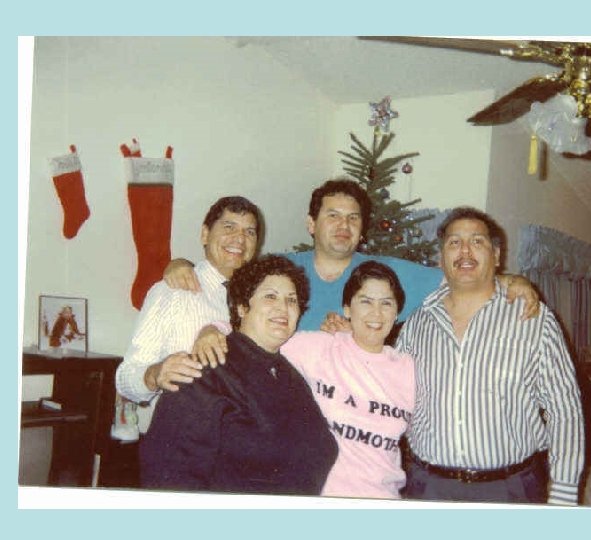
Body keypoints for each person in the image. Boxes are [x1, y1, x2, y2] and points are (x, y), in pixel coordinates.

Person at [163, 178, 540, 338]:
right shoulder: (279, 269)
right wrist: (180, 264)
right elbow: (229, 265)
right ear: (311, 224)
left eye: (353, 218)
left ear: (362, 229)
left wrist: (512, 280)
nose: (343, 226)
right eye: (332, 216)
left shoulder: (388, 273)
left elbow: (462, 279)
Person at [394, 206, 584, 506]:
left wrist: (563, 493)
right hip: (428, 488)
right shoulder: (417, 323)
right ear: (441, 258)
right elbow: (394, 401)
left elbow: (565, 410)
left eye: (477, 241)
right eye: (454, 242)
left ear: (496, 256)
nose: (465, 251)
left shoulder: (533, 318)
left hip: (511, 490)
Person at [195, 260, 415, 499]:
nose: (376, 313)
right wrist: (211, 330)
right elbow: (257, 331)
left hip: (385, 501)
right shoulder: (316, 347)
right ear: (347, 309)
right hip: (322, 499)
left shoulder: (409, 369)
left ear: (397, 313)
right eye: (365, 301)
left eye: (386, 303)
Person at [140, 255, 338, 494]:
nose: (283, 307)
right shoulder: (207, 371)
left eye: (291, 300)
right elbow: (168, 479)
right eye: (270, 296)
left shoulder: (290, 375)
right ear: (242, 307)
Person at [115, 196, 261, 430]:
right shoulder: (172, 291)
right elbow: (125, 378)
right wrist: (156, 374)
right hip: (180, 436)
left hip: (239, 440)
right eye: (229, 227)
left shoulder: (258, 301)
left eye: (250, 232)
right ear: (205, 234)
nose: (240, 239)